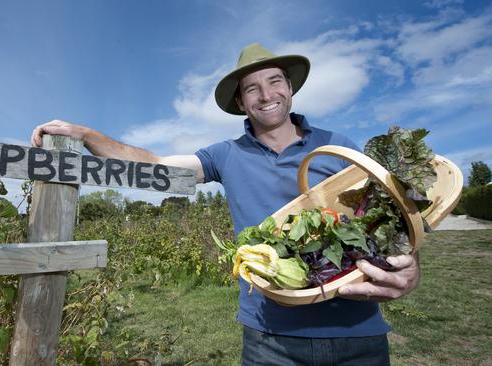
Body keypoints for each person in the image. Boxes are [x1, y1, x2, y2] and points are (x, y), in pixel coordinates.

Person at [31, 43, 420, 365]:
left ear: (290, 88)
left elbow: (389, 220)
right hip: (270, 340)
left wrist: (409, 268)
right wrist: (85, 134)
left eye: (274, 82)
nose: (266, 95)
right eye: (252, 88)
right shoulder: (225, 155)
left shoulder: (337, 146)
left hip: (357, 332)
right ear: (241, 101)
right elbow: (154, 166)